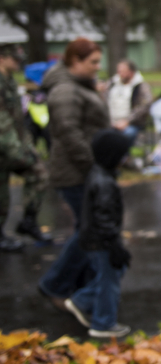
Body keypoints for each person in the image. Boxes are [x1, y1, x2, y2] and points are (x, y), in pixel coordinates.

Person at [38, 38, 110, 308]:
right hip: (76, 172)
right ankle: (55, 283)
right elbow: (69, 134)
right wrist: (93, 165)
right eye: (92, 62)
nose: (97, 67)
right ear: (75, 61)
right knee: (89, 231)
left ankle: (81, 284)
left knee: (88, 228)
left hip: (82, 169)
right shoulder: (66, 91)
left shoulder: (76, 86)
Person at [63, 129, 132, 338]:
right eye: (123, 154)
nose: (126, 158)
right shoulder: (104, 183)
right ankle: (103, 324)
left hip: (95, 240)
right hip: (102, 242)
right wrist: (115, 246)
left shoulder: (99, 174)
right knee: (109, 282)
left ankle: (81, 301)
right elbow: (104, 219)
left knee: (111, 275)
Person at [0, 44, 49, 250]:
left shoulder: (10, 81)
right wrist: (16, 150)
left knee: (40, 175)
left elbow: (17, 118)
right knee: (1, 195)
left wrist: (28, 146)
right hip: (5, 146)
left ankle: (28, 221)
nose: (18, 63)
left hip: (14, 144)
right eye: (15, 59)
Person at [107, 59, 153, 145]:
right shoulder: (112, 84)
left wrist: (127, 121)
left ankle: (123, 157)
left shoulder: (141, 86)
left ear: (131, 72)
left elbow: (145, 105)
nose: (119, 74)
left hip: (132, 124)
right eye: (118, 71)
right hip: (110, 121)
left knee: (126, 135)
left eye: (122, 71)